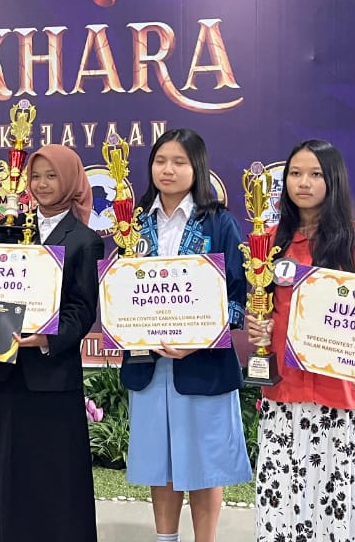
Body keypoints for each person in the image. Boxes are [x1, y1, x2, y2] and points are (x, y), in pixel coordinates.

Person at [246, 139, 355, 542]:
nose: (303, 183)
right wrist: (259, 326)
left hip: (341, 394)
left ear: (334, 181)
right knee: (285, 495)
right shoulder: (269, 240)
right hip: (286, 393)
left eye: (315, 174)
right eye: (295, 174)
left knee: (341, 494)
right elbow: (262, 308)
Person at [120, 128, 252, 542]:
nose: (169, 170)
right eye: (161, 161)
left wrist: (202, 338)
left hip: (203, 363)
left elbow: (240, 296)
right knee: (160, 461)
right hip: (149, 362)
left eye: (179, 162)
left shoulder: (219, 223)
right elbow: (120, 288)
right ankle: (165, 538)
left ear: (197, 168)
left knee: (204, 462)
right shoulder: (134, 223)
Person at [0, 144, 103, 542]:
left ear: (70, 181)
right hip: (6, 369)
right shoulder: (7, 229)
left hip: (52, 375)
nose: (42, 185)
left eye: (52, 176)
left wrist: (47, 337)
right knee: (6, 467)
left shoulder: (83, 239)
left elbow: (82, 310)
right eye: (36, 176)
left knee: (54, 472)